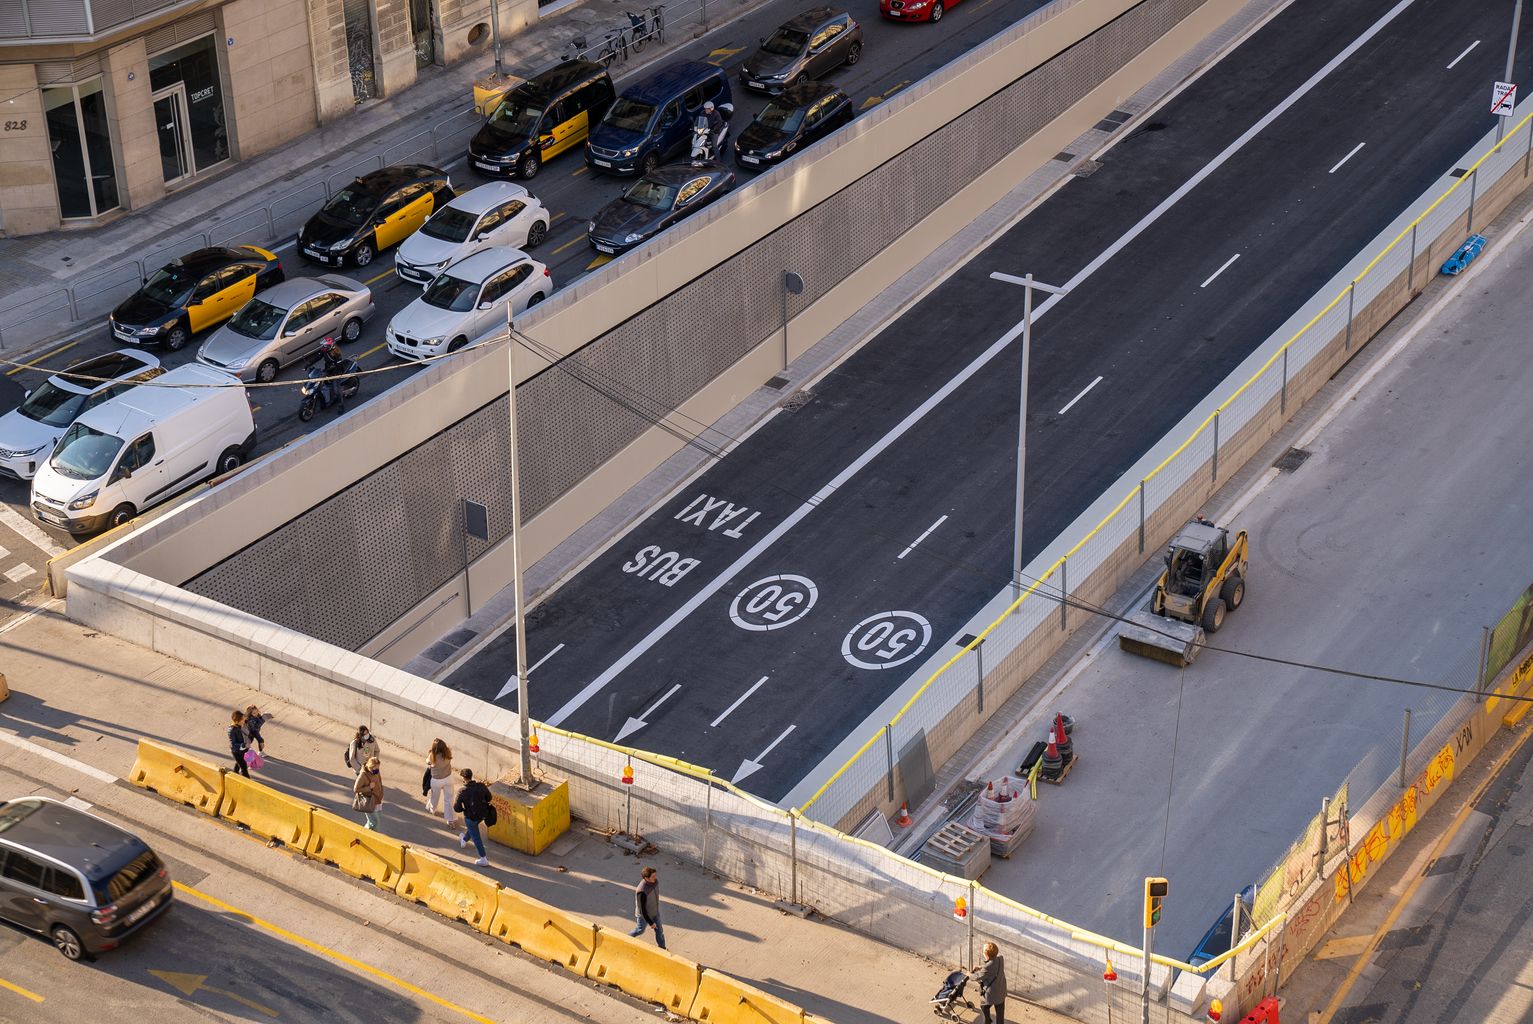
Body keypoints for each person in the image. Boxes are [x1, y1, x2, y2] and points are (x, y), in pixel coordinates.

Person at [453, 768, 492, 867]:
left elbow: (457, 808)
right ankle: (464, 840)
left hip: (470, 817)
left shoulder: (462, 791)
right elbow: (489, 798)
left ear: (463, 778)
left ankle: (483, 858)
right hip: (482, 814)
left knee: (476, 838)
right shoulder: (481, 786)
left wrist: (463, 810)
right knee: (472, 829)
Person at [970, 942, 1007, 1024]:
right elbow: (993, 965)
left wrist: (969, 974)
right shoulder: (1001, 958)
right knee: (1000, 1013)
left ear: (986, 955)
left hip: (991, 995)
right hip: (1001, 991)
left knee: (984, 1007)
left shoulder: (987, 967)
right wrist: (980, 967)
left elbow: (977, 977)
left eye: (983, 951)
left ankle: (987, 1021)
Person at [628, 866, 665, 948]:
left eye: (655, 875)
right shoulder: (642, 891)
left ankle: (662, 948)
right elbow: (643, 910)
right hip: (644, 917)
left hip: (655, 912)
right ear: (646, 878)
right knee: (640, 930)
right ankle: (627, 938)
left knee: (660, 931)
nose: (655, 878)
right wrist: (651, 923)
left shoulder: (655, 881)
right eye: (653, 876)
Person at [423, 738, 457, 828]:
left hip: (436, 780)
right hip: (448, 778)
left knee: (435, 796)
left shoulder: (432, 755)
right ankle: (450, 820)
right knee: (449, 799)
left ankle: (432, 809)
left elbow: (428, 762)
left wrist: (430, 753)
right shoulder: (448, 753)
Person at [354, 756, 384, 830]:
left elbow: (379, 781)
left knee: (374, 821)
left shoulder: (376, 771)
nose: (377, 770)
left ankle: (365, 834)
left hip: (377, 799)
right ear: (370, 767)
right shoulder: (363, 776)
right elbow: (356, 789)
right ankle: (369, 836)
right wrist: (369, 787)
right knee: (374, 822)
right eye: (375, 768)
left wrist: (381, 792)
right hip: (369, 801)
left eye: (378, 768)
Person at [227, 710, 251, 778]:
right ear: (237, 721)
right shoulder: (231, 730)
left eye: (244, 719)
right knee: (244, 768)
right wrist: (244, 745)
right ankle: (248, 783)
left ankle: (234, 775)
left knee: (238, 763)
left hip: (244, 750)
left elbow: (248, 716)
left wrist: (250, 708)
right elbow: (233, 744)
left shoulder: (241, 724)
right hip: (237, 752)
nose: (244, 721)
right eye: (242, 720)